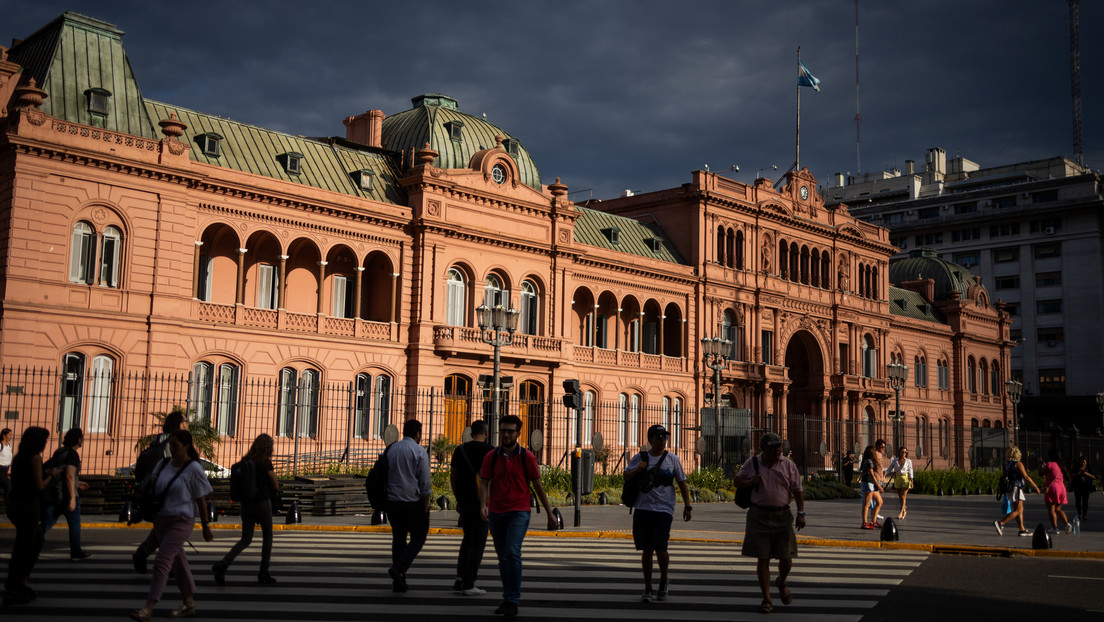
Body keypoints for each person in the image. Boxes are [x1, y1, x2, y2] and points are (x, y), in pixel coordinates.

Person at [130, 429, 214, 622]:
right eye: (171, 445)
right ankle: (189, 603)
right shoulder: (163, 464)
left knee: (162, 561)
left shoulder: (193, 468)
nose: (172, 449)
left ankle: (148, 608)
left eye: (176, 445)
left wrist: (205, 525)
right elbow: (151, 488)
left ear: (186, 446)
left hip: (181, 520)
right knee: (178, 563)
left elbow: (200, 499)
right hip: (161, 520)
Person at [479, 414, 558, 618]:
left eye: (510, 431)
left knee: (512, 552)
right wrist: (483, 505)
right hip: (496, 511)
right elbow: (484, 482)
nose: (506, 434)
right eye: (503, 430)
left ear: (518, 434)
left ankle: (512, 599)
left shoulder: (526, 457)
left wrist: (549, 513)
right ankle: (508, 597)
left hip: (519, 511)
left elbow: (537, 485)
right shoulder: (491, 457)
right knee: (503, 557)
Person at [733, 432, 805, 615]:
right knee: (762, 558)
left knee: (786, 558)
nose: (778, 450)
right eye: (774, 447)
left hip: (782, 515)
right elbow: (737, 481)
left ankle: (781, 581)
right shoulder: (753, 463)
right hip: (759, 515)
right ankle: (766, 599)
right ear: (763, 448)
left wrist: (801, 514)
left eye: (779, 446)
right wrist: (750, 481)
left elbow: (797, 490)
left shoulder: (788, 465)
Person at [624, 424, 692, 602]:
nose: (663, 441)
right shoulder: (640, 457)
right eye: (659, 437)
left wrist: (687, 506)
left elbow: (682, 482)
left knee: (661, 548)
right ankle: (648, 587)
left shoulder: (672, 459)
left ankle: (663, 579)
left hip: (664, 509)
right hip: (643, 508)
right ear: (650, 439)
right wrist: (640, 468)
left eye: (665, 437)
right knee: (646, 550)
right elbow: (626, 476)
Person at [213, 433, 279, 586]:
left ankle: (223, 564)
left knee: (245, 539)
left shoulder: (245, 461)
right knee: (267, 537)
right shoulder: (264, 462)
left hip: (246, 504)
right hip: (262, 503)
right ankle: (263, 572)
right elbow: (274, 483)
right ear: (268, 448)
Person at [3, 427, 58, 607]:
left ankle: (22, 582)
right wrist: (51, 475)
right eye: (45, 440)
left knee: (34, 541)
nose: (46, 443)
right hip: (28, 505)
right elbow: (39, 486)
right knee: (25, 547)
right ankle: (15, 587)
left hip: (15, 503)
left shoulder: (19, 457)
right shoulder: (35, 458)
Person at [133, 410, 187, 573]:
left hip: (155, 491)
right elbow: (174, 468)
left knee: (164, 529)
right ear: (179, 425)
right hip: (168, 493)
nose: (187, 424)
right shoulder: (174, 442)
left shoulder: (158, 440)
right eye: (185, 421)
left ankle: (143, 554)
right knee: (172, 530)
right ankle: (169, 566)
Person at [385, 418, 431, 593]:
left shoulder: (392, 449)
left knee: (398, 539)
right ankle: (399, 568)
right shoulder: (419, 451)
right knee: (419, 537)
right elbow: (425, 484)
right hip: (412, 503)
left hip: (393, 502)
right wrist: (425, 508)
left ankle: (399, 581)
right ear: (418, 434)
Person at [450, 419, 494, 596]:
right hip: (483, 503)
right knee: (479, 543)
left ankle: (460, 576)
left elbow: (453, 477)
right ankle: (469, 583)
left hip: (465, 501)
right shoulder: (491, 452)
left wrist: (458, 498)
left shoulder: (460, 450)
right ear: (485, 433)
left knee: (468, 538)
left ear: (471, 432)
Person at [42, 427, 92, 560]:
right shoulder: (73, 454)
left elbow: (60, 472)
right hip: (67, 495)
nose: (83, 441)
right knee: (75, 524)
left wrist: (78, 482)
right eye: (82, 438)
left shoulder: (59, 452)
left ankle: (29, 545)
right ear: (78, 440)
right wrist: (73, 499)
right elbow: (69, 475)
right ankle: (76, 551)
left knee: (46, 523)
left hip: (55, 493)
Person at [994, 446, 1040, 536]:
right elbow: (1026, 477)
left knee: (1018, 509)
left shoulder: (1006, 464)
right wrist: (1035, 486)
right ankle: (1001, 523)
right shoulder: (1018, 464)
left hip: (1009, 489)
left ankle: (1022, 529)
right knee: (1019, 510)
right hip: (1017, 488)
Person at [1040, 449, 1073, 535]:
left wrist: (1041, 465)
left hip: (1052, 488)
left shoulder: (1050, 464)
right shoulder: (1061, 465)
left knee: (1051, 509)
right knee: (1058, 509)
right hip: (1061, 488)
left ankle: (1055, 528)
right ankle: (1067, 524)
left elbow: (1040, 473)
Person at [885, 447, 914, 520]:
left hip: (905, 478)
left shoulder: (908, 461)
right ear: (899, 452)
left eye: (905, 452)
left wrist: (911, 480)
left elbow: (910, 470)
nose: (904, 453)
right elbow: (890, 468)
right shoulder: (895, 460)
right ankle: (904, 511)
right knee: (900, 496)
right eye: (902, 451)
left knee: (903, 495)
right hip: (897, 478)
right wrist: (885, 474)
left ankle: (901, 511)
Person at [859, 445, 883, 529]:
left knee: (879, 502)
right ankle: (864, 523)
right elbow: (872, 475)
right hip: (868, 483)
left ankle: (873, 521)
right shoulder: (869, 461)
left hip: (871, 483)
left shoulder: (869, 461)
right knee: (867, 504)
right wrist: (879, 486)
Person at [1071, 456, 1096, 520]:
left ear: (1086, 462)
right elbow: (1071, 475)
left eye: (1084, 462)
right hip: (1077, 487)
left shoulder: (1089, 468)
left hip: (1086, 487)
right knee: (1078, 501)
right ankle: (1079, 514)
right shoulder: (1076, 467)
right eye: (1081, 462)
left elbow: (1094, 477)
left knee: (1085, 502)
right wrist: (1078, 474)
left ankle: (1084, 515)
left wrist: (1087, 474)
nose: (1083, 463)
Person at [0, 428, 12, 501]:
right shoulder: (0, 445)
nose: (11, 436)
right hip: (0, 469)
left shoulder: (8, 445)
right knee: (8, 487)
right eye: (9, 435)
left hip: (6, 470)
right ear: (4, 436)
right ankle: (9, 507)